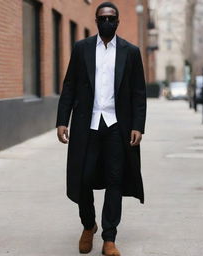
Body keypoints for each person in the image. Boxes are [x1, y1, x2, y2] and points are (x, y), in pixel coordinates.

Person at [56, 2, 147, 256]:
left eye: (112, 18)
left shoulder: (131, 52)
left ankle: (109, 238)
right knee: (83, 178)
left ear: (117, 21)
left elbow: (139, 93)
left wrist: (138, 126)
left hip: (118, 127)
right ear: (96, 21)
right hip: (88, 124)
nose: (107, 22)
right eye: (102, 18)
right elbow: (70, 85)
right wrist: (62, 120)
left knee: (114, 180)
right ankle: (89, 225)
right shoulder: (82, 48)